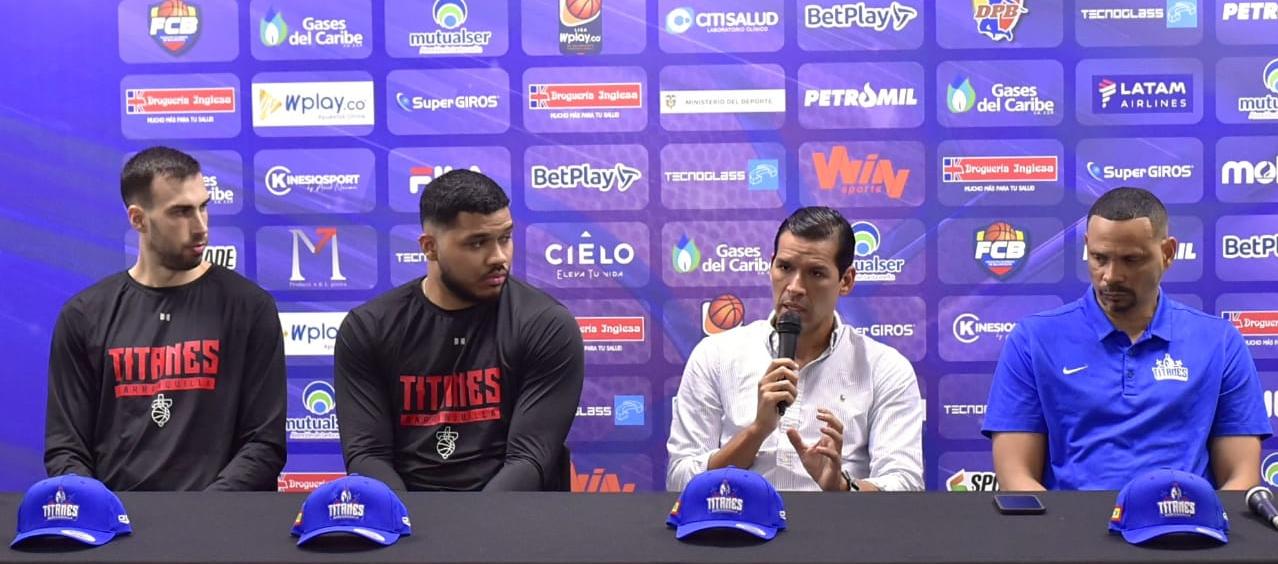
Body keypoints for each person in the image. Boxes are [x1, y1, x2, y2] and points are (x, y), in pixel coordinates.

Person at [984, 187, 1271, 490]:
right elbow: (1015, 476)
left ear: (1168, 253)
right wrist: (1062, 534)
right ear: (1086, 247)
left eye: (1131, 260)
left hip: (1185, 530)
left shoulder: (1220, 342)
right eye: (1099, 258)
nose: (1111, 275)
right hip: (1069, 532)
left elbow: (1241, 478)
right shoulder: (1033, 339)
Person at [44, 146, 285, 491]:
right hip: (116, 533)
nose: (200, 227)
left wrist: (200, 518)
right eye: (181, 212)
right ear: (138, 218)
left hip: (222, 533)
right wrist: (108, 514)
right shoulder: (84, 316)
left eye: (203, 207)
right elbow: (65, 449)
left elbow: (265, 444)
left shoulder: (250, 307)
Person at [335, 170, 583, 491]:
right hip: (406, 523)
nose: (499, 257)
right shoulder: (369, 328)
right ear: (430, 247)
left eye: (505, 238)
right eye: (477, 242)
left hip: (509, 522)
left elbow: (530, 458)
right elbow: (367, 455)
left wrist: (467, 534)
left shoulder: (546, 325)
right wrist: (409, 528)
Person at [667, 206, 924, 492]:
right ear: (771, 265)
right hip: (738, 530)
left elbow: (906, 485)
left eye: (816, 273)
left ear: (846, 281)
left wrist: (840, 487)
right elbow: (679, 480)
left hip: (837, 532)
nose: (795, 287)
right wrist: (757, 431)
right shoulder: (715, 356)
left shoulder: (884, 368)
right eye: (785, 267)